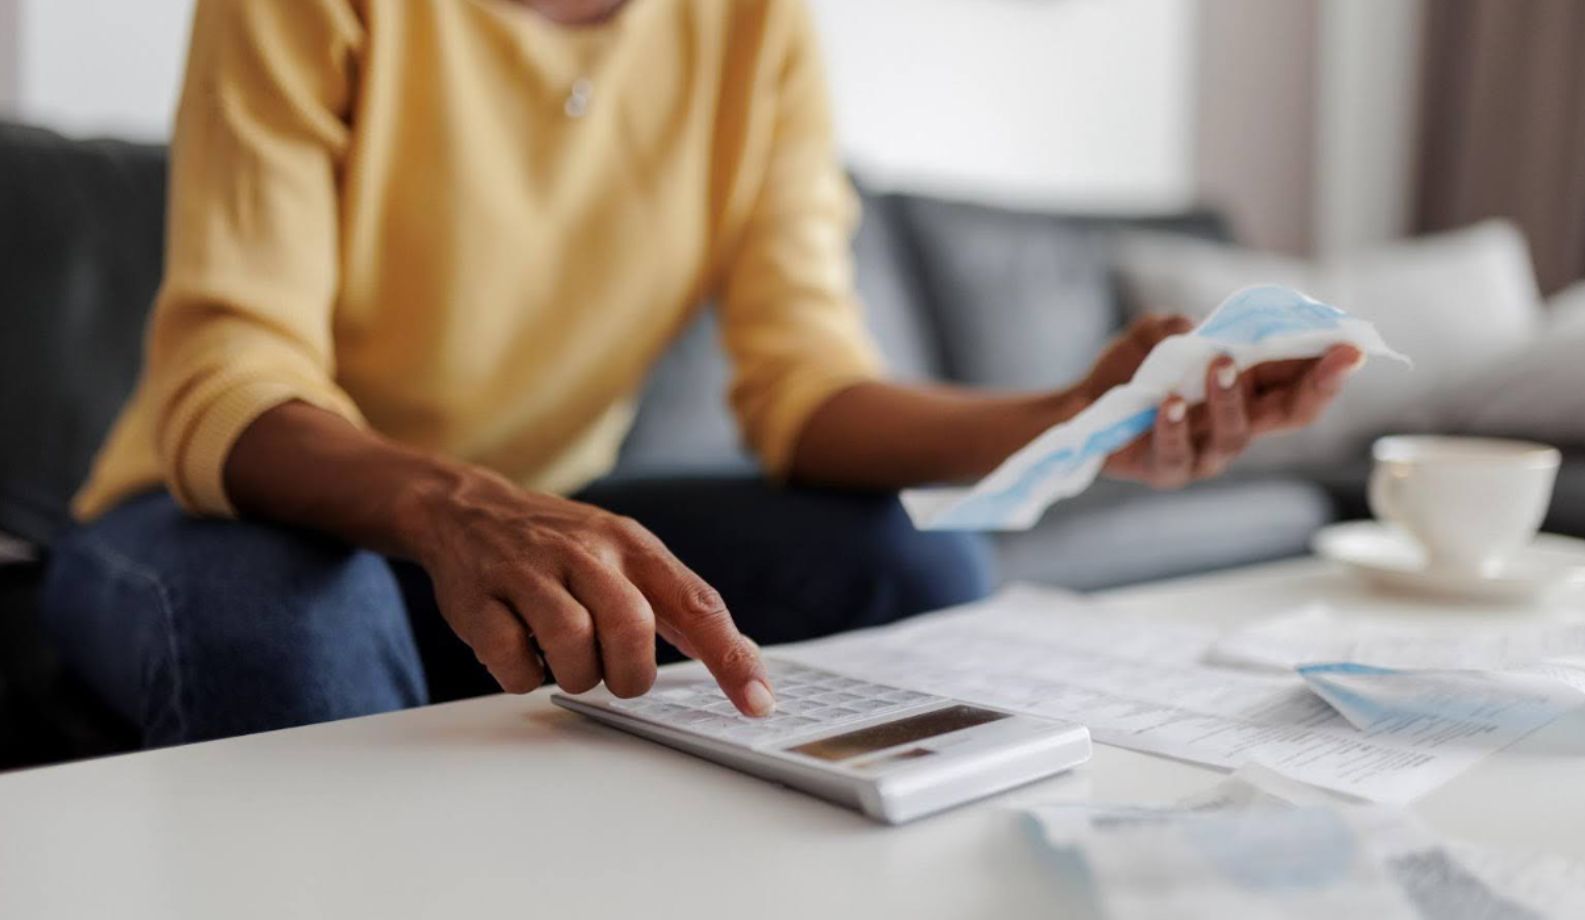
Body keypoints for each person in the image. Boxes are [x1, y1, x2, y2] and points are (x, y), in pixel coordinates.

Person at [42, 0, 1363, 747]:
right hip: (225, 503)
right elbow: (232, 376)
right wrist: (455, 503)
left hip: (525, 513)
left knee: (917, 566)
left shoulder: (753, 30)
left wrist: (1068, 422)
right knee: (298, 631)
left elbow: (805, 389)